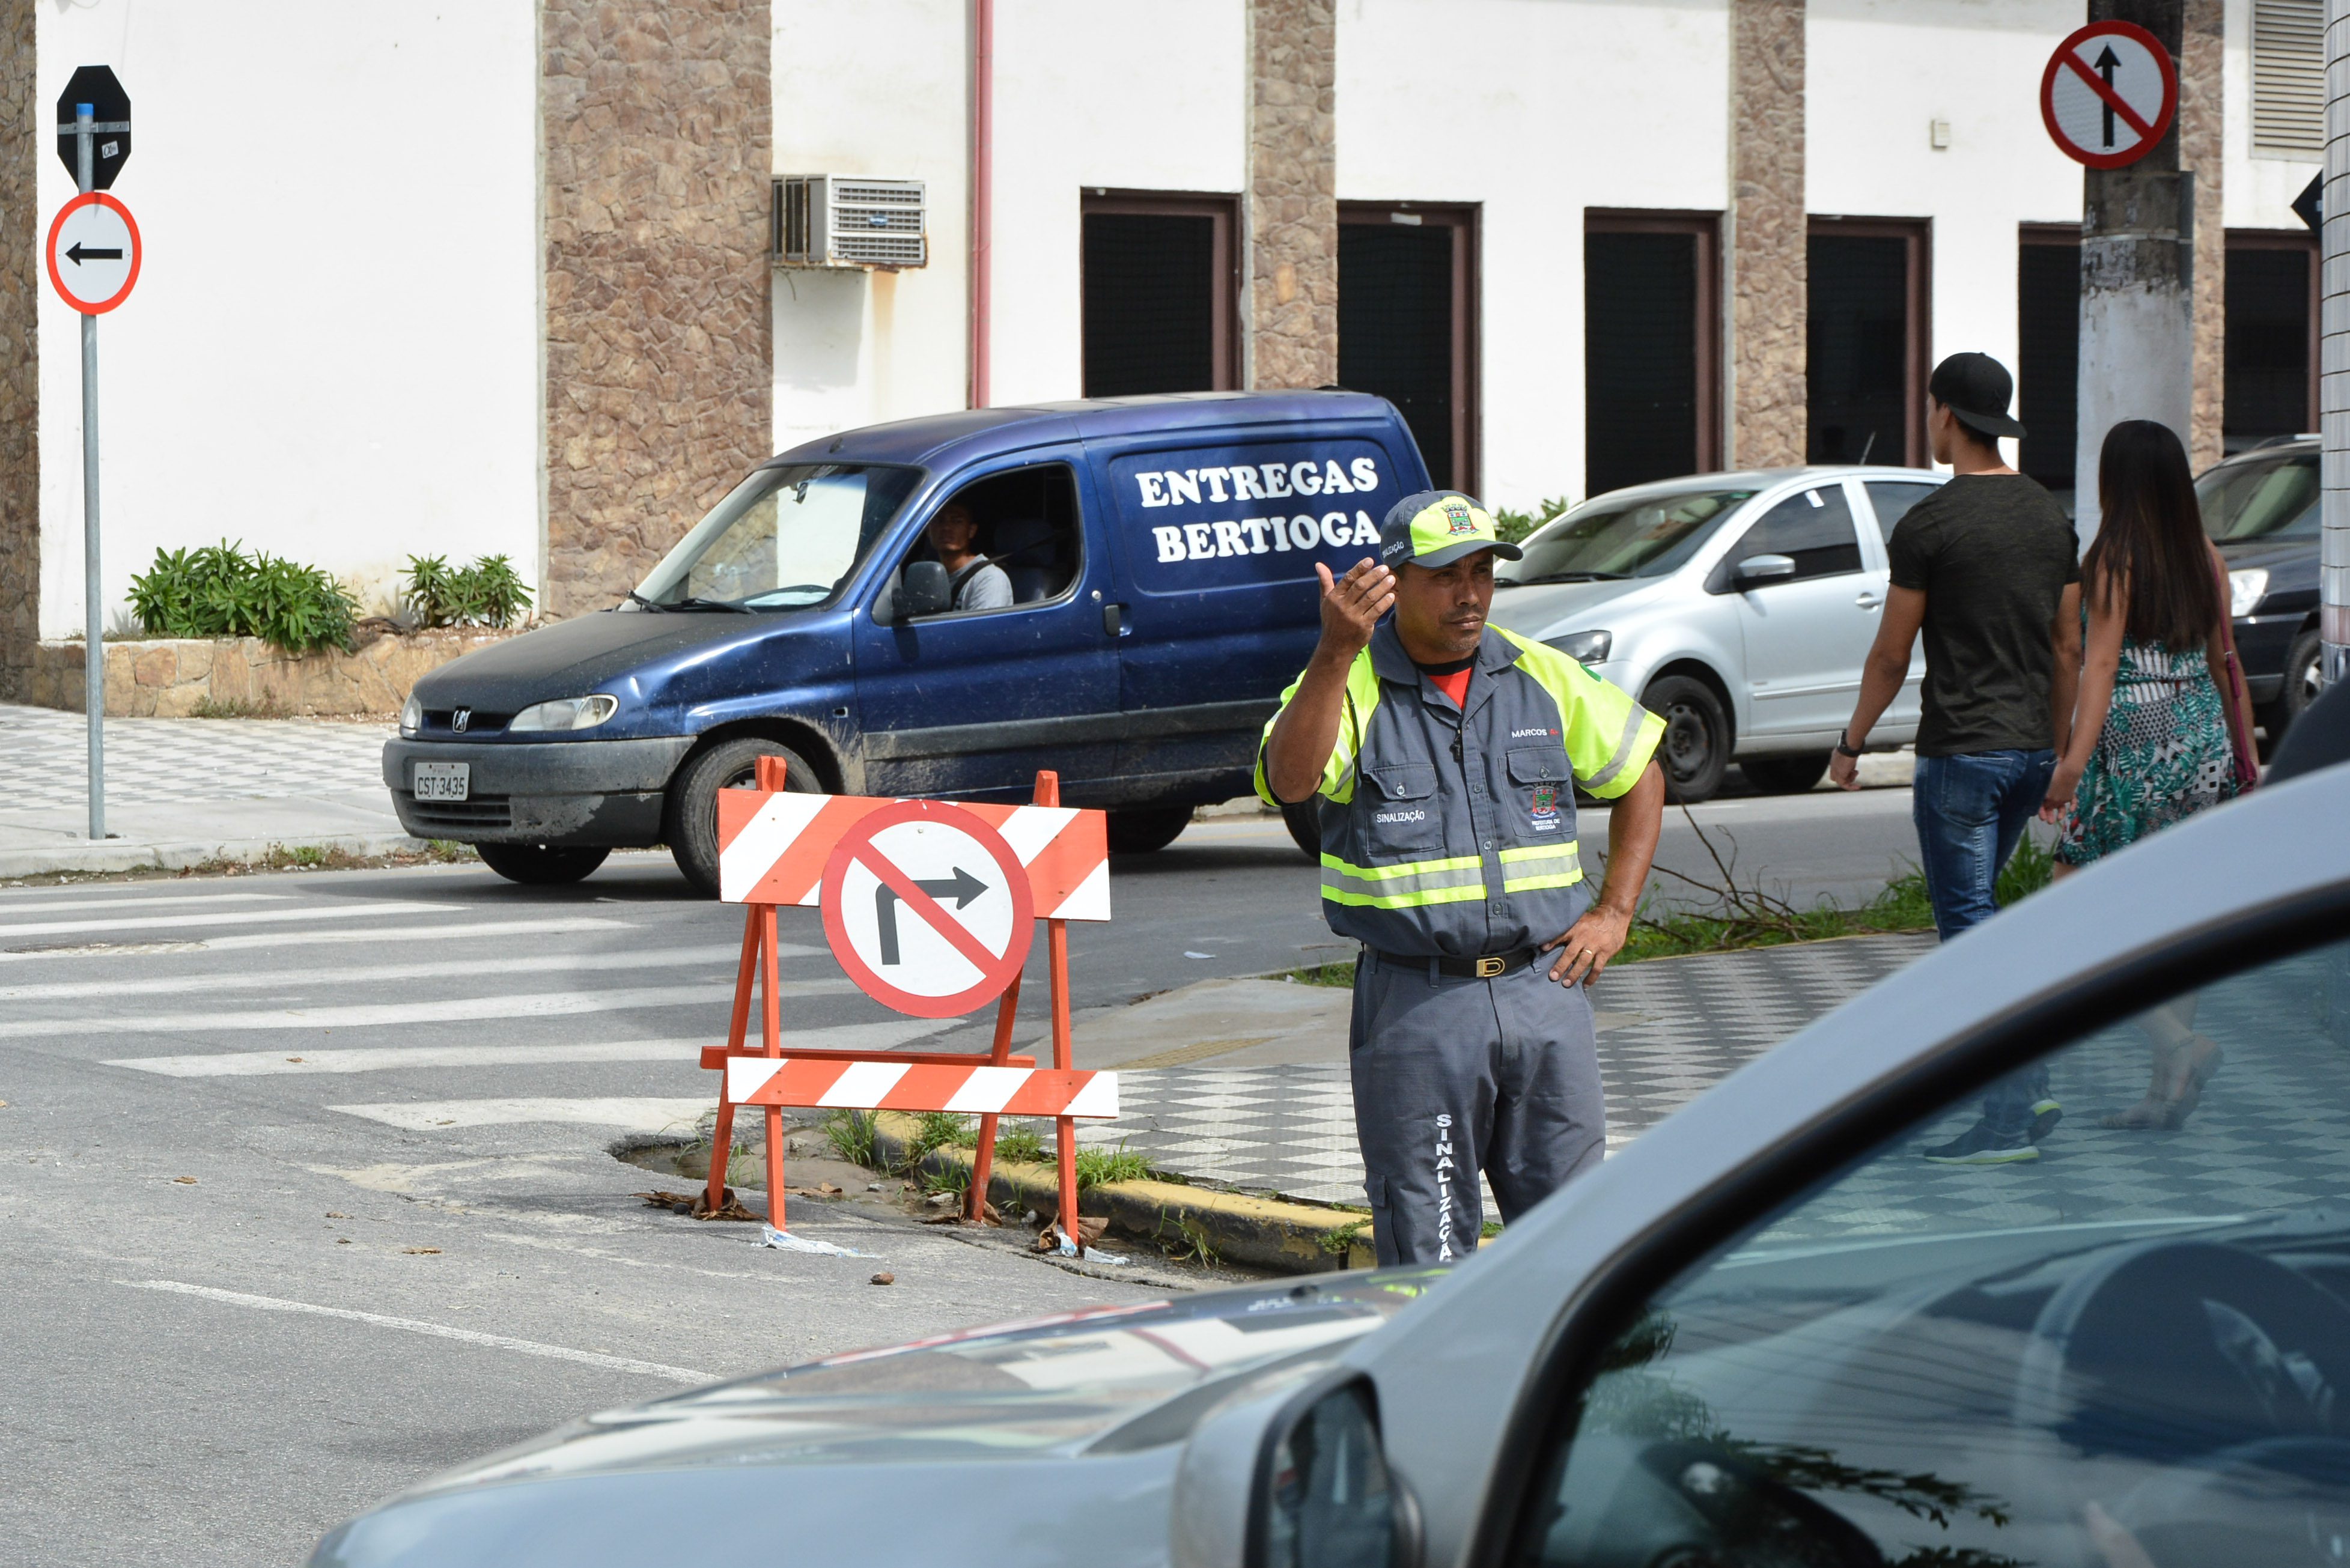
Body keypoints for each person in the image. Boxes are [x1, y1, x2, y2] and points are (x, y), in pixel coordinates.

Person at [1256, 490, 1667, 1266]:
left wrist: (1614, 910)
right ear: (1392, 581)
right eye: (1447, 575)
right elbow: (1291, 779)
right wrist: (1334, 650)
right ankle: (1442, 1389)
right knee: (1428, 1255)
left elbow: (1641, 768)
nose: (1470, 593)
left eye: (1483, 571)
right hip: (1419, 1007)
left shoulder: (1537, 675)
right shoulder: (1351, 684)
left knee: (1579, 1249)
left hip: (1546, 993)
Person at [1829, 351, 2082, 1166]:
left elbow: (1888, 655)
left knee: (1967, 936)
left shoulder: (1929, 525)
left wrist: (1850, 740)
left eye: (1930, 407)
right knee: (1984, 930)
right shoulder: (2048, 516)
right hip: (2024, 755)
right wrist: (2055, 750)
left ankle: (2009, 1114)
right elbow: (2065, 646)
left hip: (1961, 757)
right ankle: (2025, 1084)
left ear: (1943, 413)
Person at [2039, 419, 2255, 1130]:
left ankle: (2179, 1042)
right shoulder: (2205, 556)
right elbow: (2227, 664)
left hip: (2134, 741)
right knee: (2178, 920)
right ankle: (2167, 1092)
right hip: (2199, 736)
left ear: (2115, 481)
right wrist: (2243, 756)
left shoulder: (2112, 558)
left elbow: (2099, 666)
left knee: (2066, 913)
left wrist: (2069, 765)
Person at [925, 502, 1012, 612]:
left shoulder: (989, 578)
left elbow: (985, 628)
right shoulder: (927, 579)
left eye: (957, 521)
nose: (946, 527)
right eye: (939, 521)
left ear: (971, 531)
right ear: (928, 530)